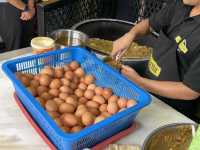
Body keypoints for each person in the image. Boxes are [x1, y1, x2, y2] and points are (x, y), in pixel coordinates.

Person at [111, 0, 200, 120]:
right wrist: (131, 34)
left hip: (173, 109)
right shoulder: (182, 5)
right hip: (147, 86)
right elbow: (149, 24)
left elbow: (190, 91)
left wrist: (140, 82)